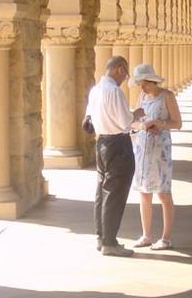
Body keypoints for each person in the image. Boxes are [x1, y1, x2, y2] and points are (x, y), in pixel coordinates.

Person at [85, 56, 145, 257]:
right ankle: (110, 242)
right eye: (125, 73)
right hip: (118, 144)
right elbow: (124, 123)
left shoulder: (95, 91)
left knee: (101, 192)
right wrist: (135, 114)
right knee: (115, 194)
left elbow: (90, 120)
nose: (124, 78)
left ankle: (101, 238)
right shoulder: (115, 92)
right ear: (119, 69)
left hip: (101, 142)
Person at [129, 63, 182, 250]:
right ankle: (146, 235)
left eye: (143, 83)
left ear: (151, 80)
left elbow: (177, 123)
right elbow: (134, 121)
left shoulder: (167, 96)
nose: (141, 88)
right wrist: (142, 125)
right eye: (139, 84)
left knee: (163, 193)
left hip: (160, 148)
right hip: (143, 147)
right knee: (144, 192)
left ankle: (166, 238)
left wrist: (157, 123)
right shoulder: (142, 96)